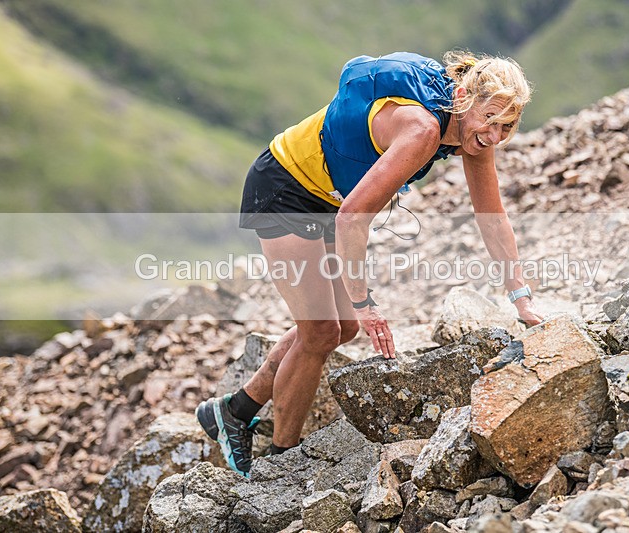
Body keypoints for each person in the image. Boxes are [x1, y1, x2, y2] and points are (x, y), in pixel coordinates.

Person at [196, 51, 544, 477]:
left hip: (327, 197)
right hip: (285, 187)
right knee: (321, 331)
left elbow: (492, 220)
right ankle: (280, 465)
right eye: (490, 118)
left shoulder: (469, 133)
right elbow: (354, 218)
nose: (494, 134)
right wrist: (365, 301)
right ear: (464, 97)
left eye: (506, 126)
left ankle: (234, 410)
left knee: (340, 328)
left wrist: (521, 299)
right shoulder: (423, 130)